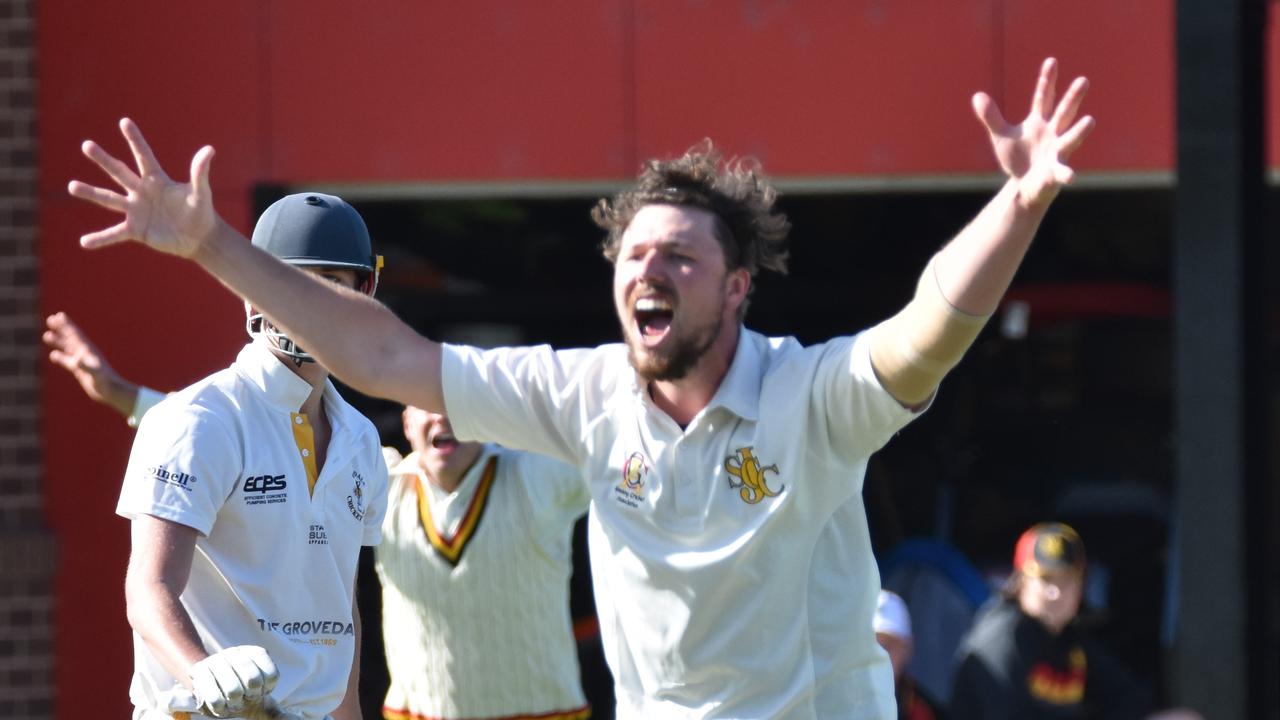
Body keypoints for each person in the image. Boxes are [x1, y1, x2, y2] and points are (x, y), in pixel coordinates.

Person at [69, 57, 1093, 719]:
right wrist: (208, 242)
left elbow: (924, 333)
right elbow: (384, 358)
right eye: (631, 252)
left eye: (679, 258)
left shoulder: (810, 397)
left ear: (737, 288)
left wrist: (1017, 204)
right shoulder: (583, 396)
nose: (647, 269)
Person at [44, 317, 595, 720]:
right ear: (404, 419)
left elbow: (612, 454)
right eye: (425, 405)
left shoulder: (538, 477)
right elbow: (238, 437)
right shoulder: (380, 476)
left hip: (543, 712)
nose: (440, 421)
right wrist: (125, 397)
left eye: (455, 408)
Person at [110, 193, 390, 720]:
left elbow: (339, 611)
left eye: (329, 282)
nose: (307, 302)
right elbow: (148, 589)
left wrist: (348, 710)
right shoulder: (198, 419)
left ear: (364, 290)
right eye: (287, 281)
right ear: (251, 294)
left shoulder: (361, 439)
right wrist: (202, 673)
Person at [948, 523, 1204, 720]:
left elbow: (1128, 698)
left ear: (1082, 587)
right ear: (1020, 584)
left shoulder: (1069, 638)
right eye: (1046, 580)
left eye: (1066, 581)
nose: (1055, 593)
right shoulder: (1001, 639)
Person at [873, 590, 939, 720]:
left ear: (908, 649)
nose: (880, 654)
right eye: (873, 643)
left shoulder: (919, 713)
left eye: (889, 645)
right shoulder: (835, 702)